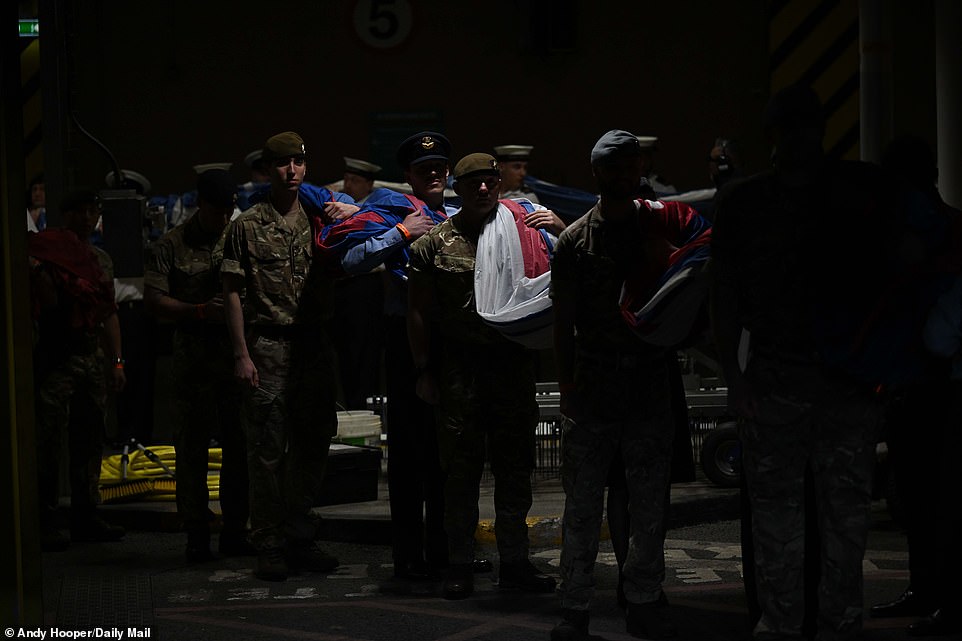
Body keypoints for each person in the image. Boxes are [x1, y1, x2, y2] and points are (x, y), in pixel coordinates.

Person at [710, 85, 891, 641]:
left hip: (792, 383)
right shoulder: (856, 191)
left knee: (789, 524)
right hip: (826, 384)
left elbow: (726, 301)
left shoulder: (749, 202)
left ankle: (792, 624)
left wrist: (736, 379)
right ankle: (823, 623)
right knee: (835, 523)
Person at [550, 130, 707, 641]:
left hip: (646, 384)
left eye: (630, 166)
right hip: (594, 387)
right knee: (580, 508)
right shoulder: (576, 240)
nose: (624, 175)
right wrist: (567, 386)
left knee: (649, 506)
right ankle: (574, 606)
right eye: (613, 167)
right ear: (596, 173)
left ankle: (642, 598)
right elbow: (563, 323)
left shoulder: (658, 226)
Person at [407, 152, 560, 600]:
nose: (482, 188)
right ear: (458, 187)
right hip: (459, 372)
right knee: (460, 473)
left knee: (515, 470)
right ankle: (459, 563)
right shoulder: (433, 244)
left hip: (511, 368)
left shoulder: (523, 230)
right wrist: (423, 371)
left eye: (489, 180)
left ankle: (514, 562)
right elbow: (416, 311)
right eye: (472, 181)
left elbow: (566, 271)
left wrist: (560, 228)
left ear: (498, 184)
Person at [317, 132, 455, 582]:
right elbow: (352, 261)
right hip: (405, 337)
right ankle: (408, 556)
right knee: (410, 452)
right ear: (409, 177)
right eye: (423, 169)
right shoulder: (393, 210)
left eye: (439, 167)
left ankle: (443, 551)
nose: (433, 174)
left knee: (449, 454)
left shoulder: (460, 215)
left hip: (455, 340)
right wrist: (400, 232)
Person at [221, 131, 353, 581]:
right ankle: (270, 542)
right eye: (281, 164)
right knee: (267, 452)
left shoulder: (322, 218)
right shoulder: (247, 224)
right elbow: (233, 293)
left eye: (297, 162)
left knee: (313, 444)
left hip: (314, 346)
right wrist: (241, 354)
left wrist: (348, 212)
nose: (291, 171)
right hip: (269, 346)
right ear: (267, 169)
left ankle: (300, 533)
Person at [869, 134, 962, 637]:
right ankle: (931, 591)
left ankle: (935, 592)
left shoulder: (905, 234)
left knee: (925, 498)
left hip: (922, 381)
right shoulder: (947, 225)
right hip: (928, 382)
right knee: (928, 497)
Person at [144, 168, 253, 563]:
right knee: (191, 450)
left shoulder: (237, 238)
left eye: (230, 210)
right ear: (200, 203)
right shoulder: (172, 245)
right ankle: (196, 533)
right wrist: (200, 312)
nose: (224, 218)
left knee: (239, 447)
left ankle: (237, 529)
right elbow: (154, 300)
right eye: (217, 210)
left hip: (233, 360)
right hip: (193, 361)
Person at [29, 189, 127, 550]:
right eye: (79, 212)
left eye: (92, 212)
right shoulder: (47, 251)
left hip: (90, 358)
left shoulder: (99, 258)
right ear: (65, 215)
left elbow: (108, 312)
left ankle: (86, 515)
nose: (87, 219)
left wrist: (116, 360)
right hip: (57, 356)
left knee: (90, 439)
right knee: (48, 438)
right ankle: (44, 519)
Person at [328, 156, 385, 410]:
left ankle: (364, 408)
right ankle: (350, 406)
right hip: (340, 288)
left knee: (365, 352)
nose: (348, 184)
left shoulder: (373, 211)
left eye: (355, 180)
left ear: (368, 184)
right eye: (347, 179)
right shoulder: (336, 207)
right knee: (344, 352)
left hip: (366, 286)